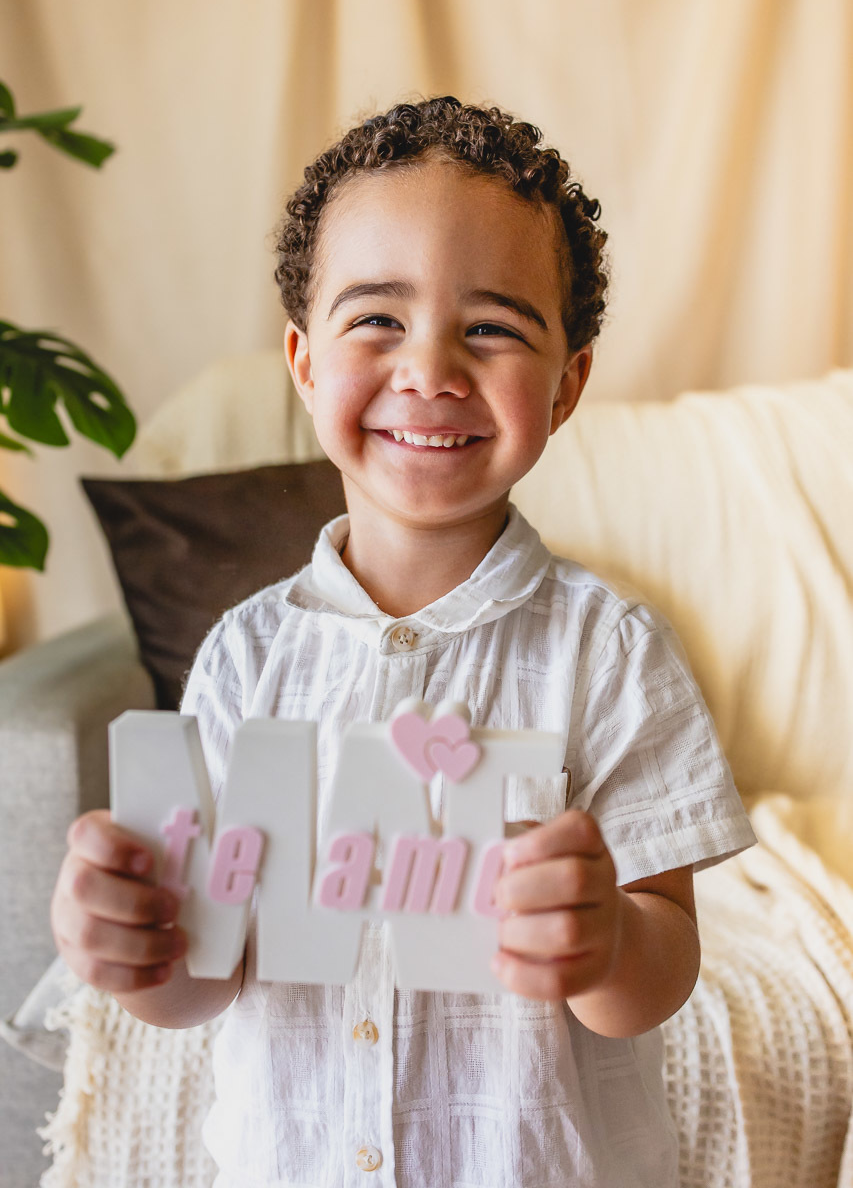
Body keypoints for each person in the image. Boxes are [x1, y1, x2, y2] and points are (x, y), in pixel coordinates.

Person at [50, 96, 756, 1187]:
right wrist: (132, 951)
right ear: (303, 361)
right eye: (377, 317)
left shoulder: (608, 652)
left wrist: (609, 938)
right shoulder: (244, 658)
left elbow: (661, 963)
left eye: (491, 325)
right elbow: (207, 970)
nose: (429, 368)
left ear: (566, 383)